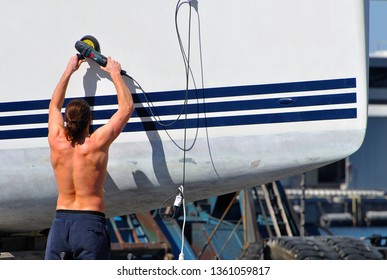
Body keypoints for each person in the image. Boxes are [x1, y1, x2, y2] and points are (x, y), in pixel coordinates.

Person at [45, 55, 134, 260]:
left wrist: (69, 70)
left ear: (67, 120)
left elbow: (54, 107)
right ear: (90, 120)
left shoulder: (56, 140)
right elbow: (126, 109)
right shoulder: (96, 144)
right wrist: (114, 74)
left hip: (60, 225)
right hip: (89, 224)